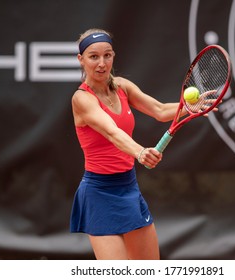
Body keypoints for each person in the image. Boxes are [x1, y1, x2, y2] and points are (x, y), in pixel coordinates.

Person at [69, 28, 184, 260]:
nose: (102, 63)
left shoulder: (122, 86)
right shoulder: (81, 99)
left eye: (107, 55)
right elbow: (112, 133)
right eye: (93, 57)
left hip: (128, 188)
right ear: (81, 60)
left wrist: (190, 107)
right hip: (99, 193)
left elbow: (160, 110)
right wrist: (140, 152)